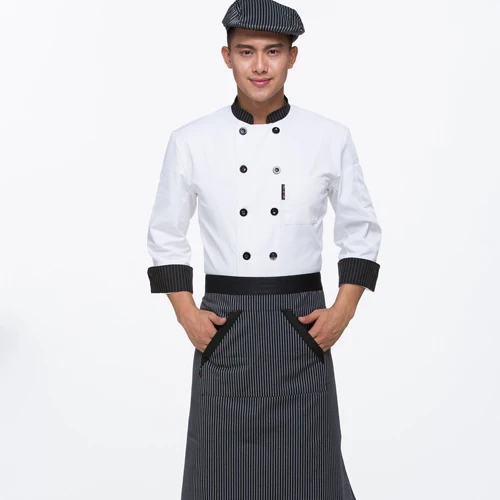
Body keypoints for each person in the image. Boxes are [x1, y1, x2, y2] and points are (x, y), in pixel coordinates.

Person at [146, 0, 382, 497]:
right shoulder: (191, 140)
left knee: (310, 476)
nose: (259, 66)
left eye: (273, 52)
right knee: (221, 477)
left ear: (292, 57)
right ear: (226, 57)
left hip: (301, 323)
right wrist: (186, 314)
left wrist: (343, 311)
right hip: (225, 324)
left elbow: (360, 230)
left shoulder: (329, 137)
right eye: (246, 51)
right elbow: (165, 235)